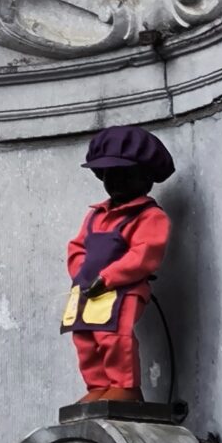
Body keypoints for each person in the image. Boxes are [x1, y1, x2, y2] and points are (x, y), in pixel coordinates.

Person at [62, 125, 174, 405]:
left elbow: (144, 255)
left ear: (145, 177)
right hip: (87, 288)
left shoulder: (149, 215)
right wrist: (80, 273)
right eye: (108, 174)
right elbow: (77, 247)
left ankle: (124, 386)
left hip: (122, 289)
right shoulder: (96, 215)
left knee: (113, 336)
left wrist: (109, 277)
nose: (115, 181)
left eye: (124, 174)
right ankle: (98, 386)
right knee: (84, 338)